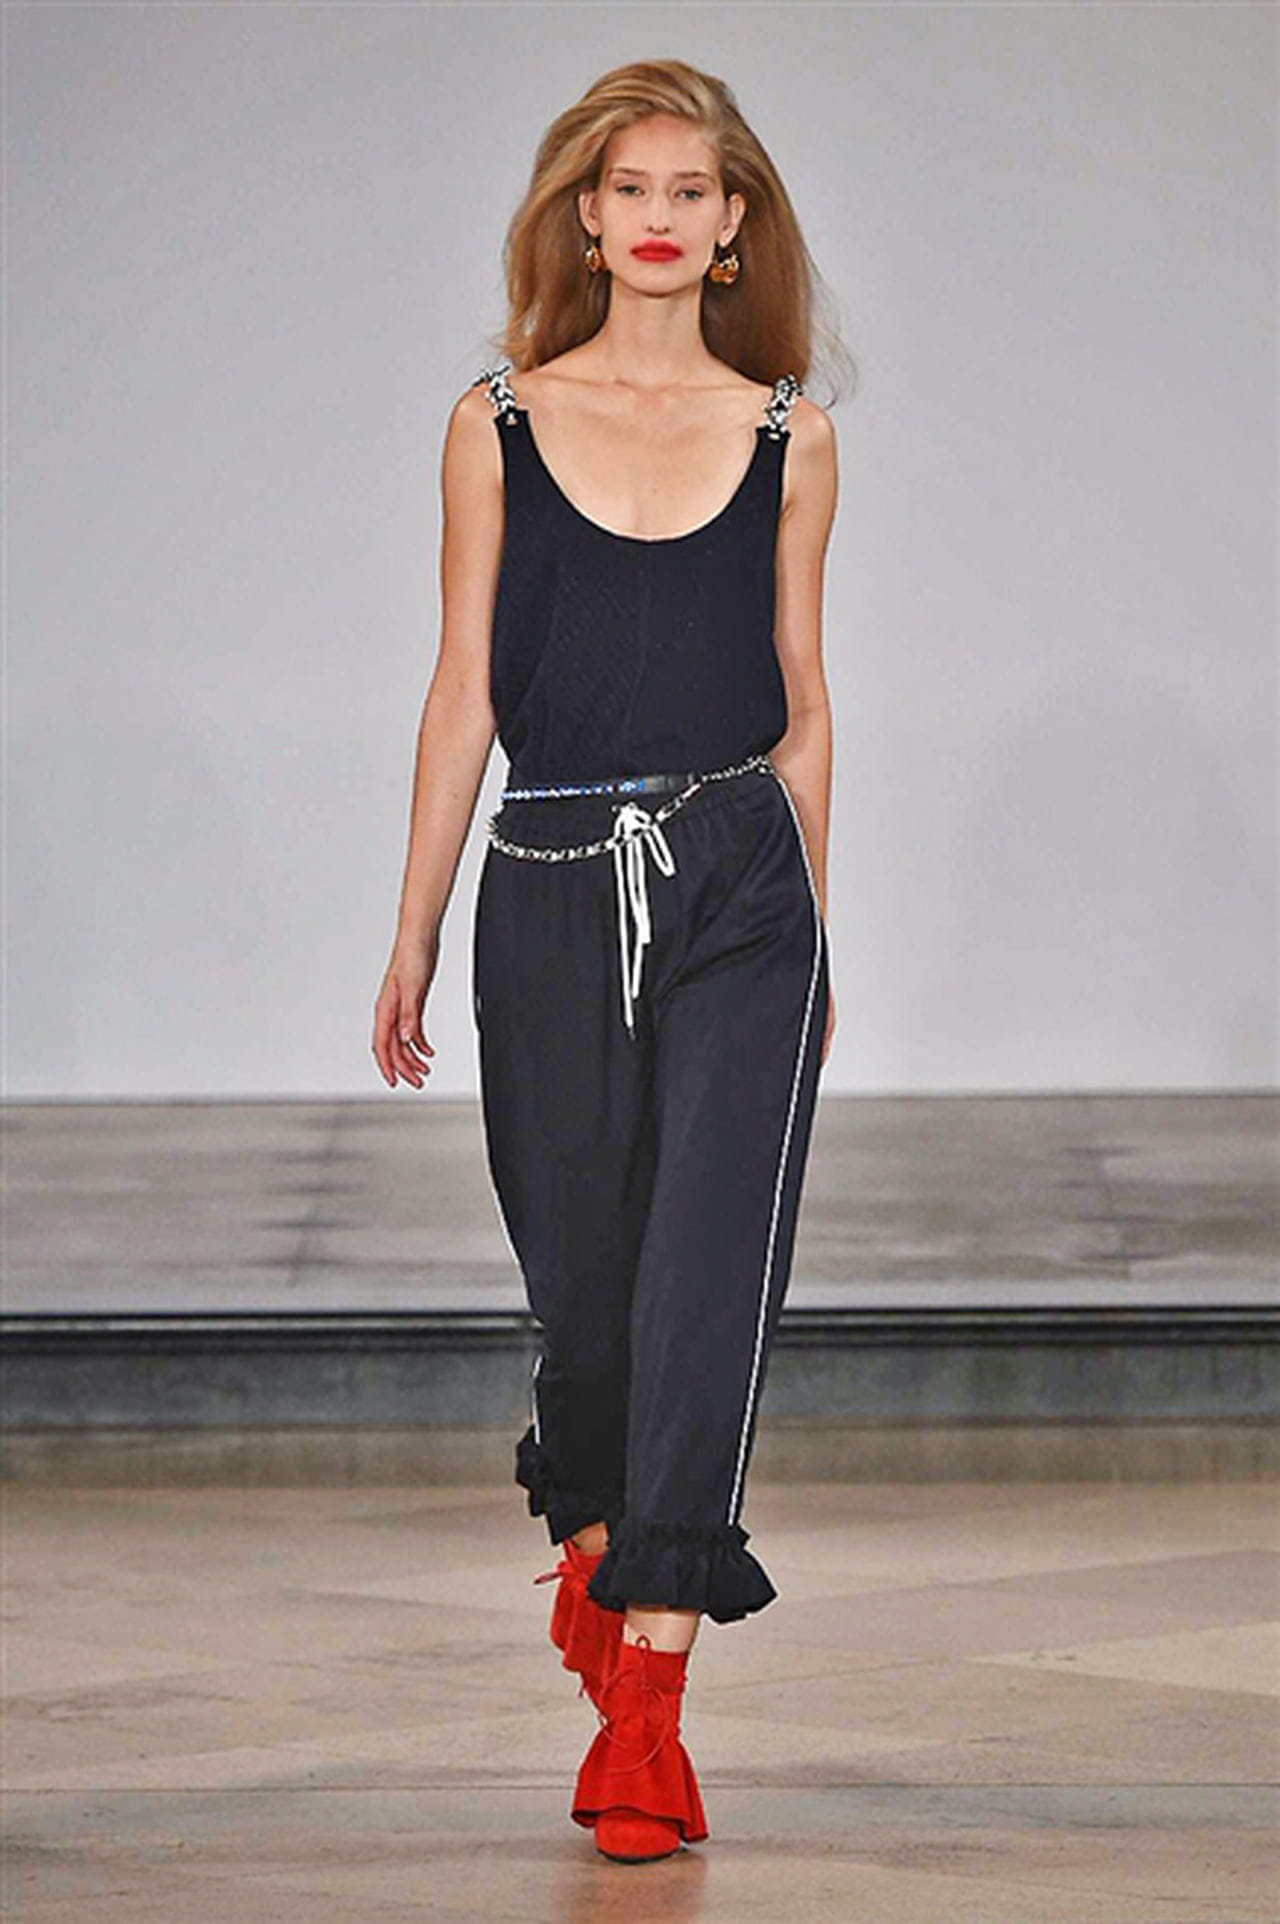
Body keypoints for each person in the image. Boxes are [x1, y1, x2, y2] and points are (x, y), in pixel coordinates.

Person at [373, 56, 846, 1865]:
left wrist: (818, 935)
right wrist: (414, 924)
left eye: (692, 190)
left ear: (734, 227)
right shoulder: (495, 420)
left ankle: (650, 1703)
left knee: (711, 1272)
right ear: (587, 218)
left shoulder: (791, 436)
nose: (659, 216)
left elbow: (807, 705)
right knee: (585, 1293)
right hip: (555, 877)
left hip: (741, 882)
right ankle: (591, 1535)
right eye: (629, 187)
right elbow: (463, 690)